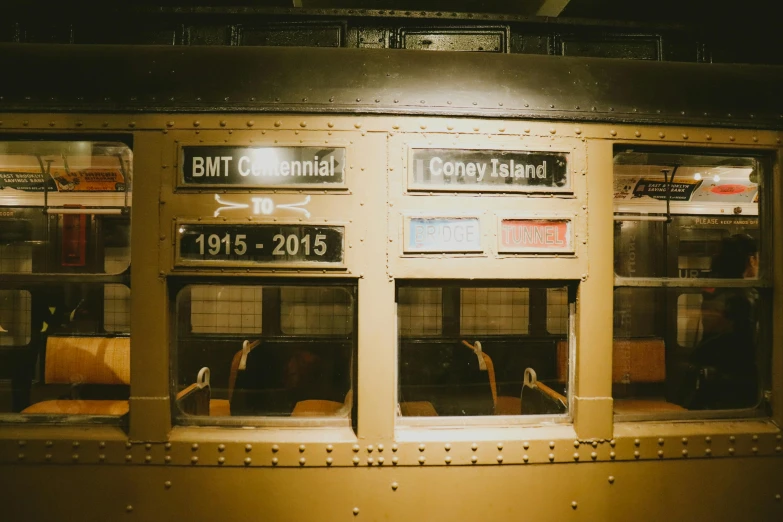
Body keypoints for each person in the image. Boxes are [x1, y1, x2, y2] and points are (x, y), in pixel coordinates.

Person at [684, 233, 759, 410]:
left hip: (715, 371)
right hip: (737, 377)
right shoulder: (745, 297)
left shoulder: (715, 290)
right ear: (751, 260)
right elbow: (748, 343)